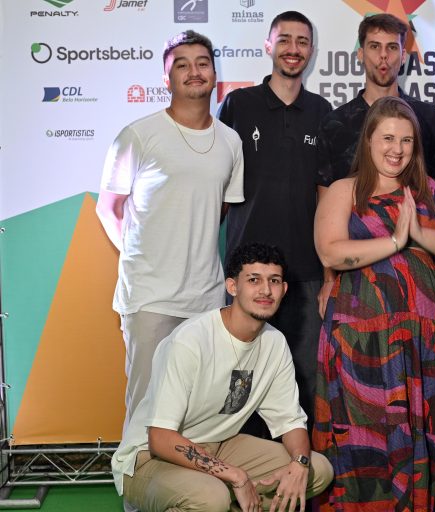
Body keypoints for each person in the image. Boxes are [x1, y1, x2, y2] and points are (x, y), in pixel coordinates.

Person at [312, 96, 435, 511]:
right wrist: (394, 241)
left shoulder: (430, 192)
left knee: (427, 431)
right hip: (361, 342)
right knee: (362, 434)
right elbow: (331, 252)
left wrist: (418, 234)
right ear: (368, 140)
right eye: (387, 138)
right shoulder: (345, 190)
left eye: (406, 140)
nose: (397, 149)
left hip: (425, 341)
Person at [112, 242, 333, 512]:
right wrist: (235, 475)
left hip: (221, 444)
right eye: (254, 280)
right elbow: (159, 438)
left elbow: (290, 422)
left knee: (317, 469)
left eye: (274, 281)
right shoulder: (190, 340)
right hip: (149, 458)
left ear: (284, 289)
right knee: (212, 498)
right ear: (232, 286)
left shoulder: (275, 343)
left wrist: (299, 464)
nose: (265, 290)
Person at [96, 30, 244, 431]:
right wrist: (137, 257)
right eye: (182, 65)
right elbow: (108, 208)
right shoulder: (138, 135)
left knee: (197, 410)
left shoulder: (230, 142)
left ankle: (190, 476)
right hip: (150, 297)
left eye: (202, 63)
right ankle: (135, 476)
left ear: (214, 74)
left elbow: (220, 209)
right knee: (145, 409)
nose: (194, 71)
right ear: (166, 78)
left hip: (206, 297)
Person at [218, 11, 332, 432]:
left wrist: (330, 275)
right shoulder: (238, 105)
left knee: (305, 382)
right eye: (284, 39)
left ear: (312, 51)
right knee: (239, 383)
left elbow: (327, 197)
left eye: (302, 41)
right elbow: (217, 186)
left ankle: (300, 467)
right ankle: (242, 465)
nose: (293, 49)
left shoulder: (322, 111)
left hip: (305, 274)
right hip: (247, 273)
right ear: (268, 46)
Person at [316, 13, 435, 309]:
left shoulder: (429, 118)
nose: (383, 56)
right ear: (360, 54)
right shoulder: (335, 123)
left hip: (420, 275)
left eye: (392, 47)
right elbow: (324, 202)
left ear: (403, 56)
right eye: (374, 46)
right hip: (356, 281)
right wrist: (328, 278)